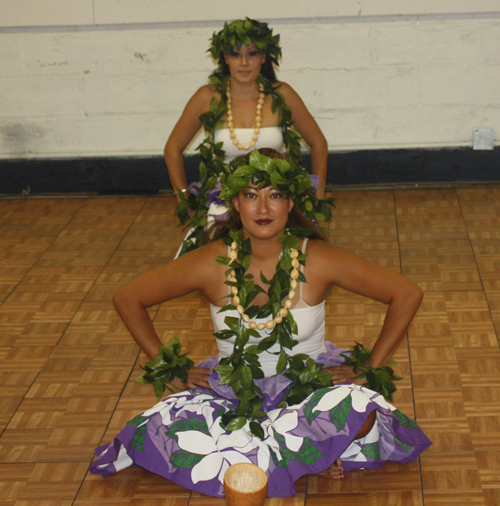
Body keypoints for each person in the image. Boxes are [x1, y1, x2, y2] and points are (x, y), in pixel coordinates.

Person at [90, 149, 431, 498]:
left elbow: (406, 293)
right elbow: (128, 298)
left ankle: (278, 452)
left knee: (360, 412)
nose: (263, 209)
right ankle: (308, 453)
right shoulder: (211, 261)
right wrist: (169, 369)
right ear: (236, 203)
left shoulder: (319, 258)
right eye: (251, 195)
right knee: (163, 427)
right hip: (233, 393)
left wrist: (370, 368)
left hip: (309, 387)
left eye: (275, 196)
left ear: (291, 202)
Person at [164, 18, 328, 254]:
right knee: (216, 270)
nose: (243, 62)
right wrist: (185, 201)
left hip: (276, 200)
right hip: (224, 200)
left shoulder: (282, 94)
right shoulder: (207, 97)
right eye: (234, 53)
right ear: (225, 58)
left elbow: (318, 143)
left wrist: (318, 195)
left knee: (292, 267)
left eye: (251, 53)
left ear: (263, 57)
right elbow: (172, 150)